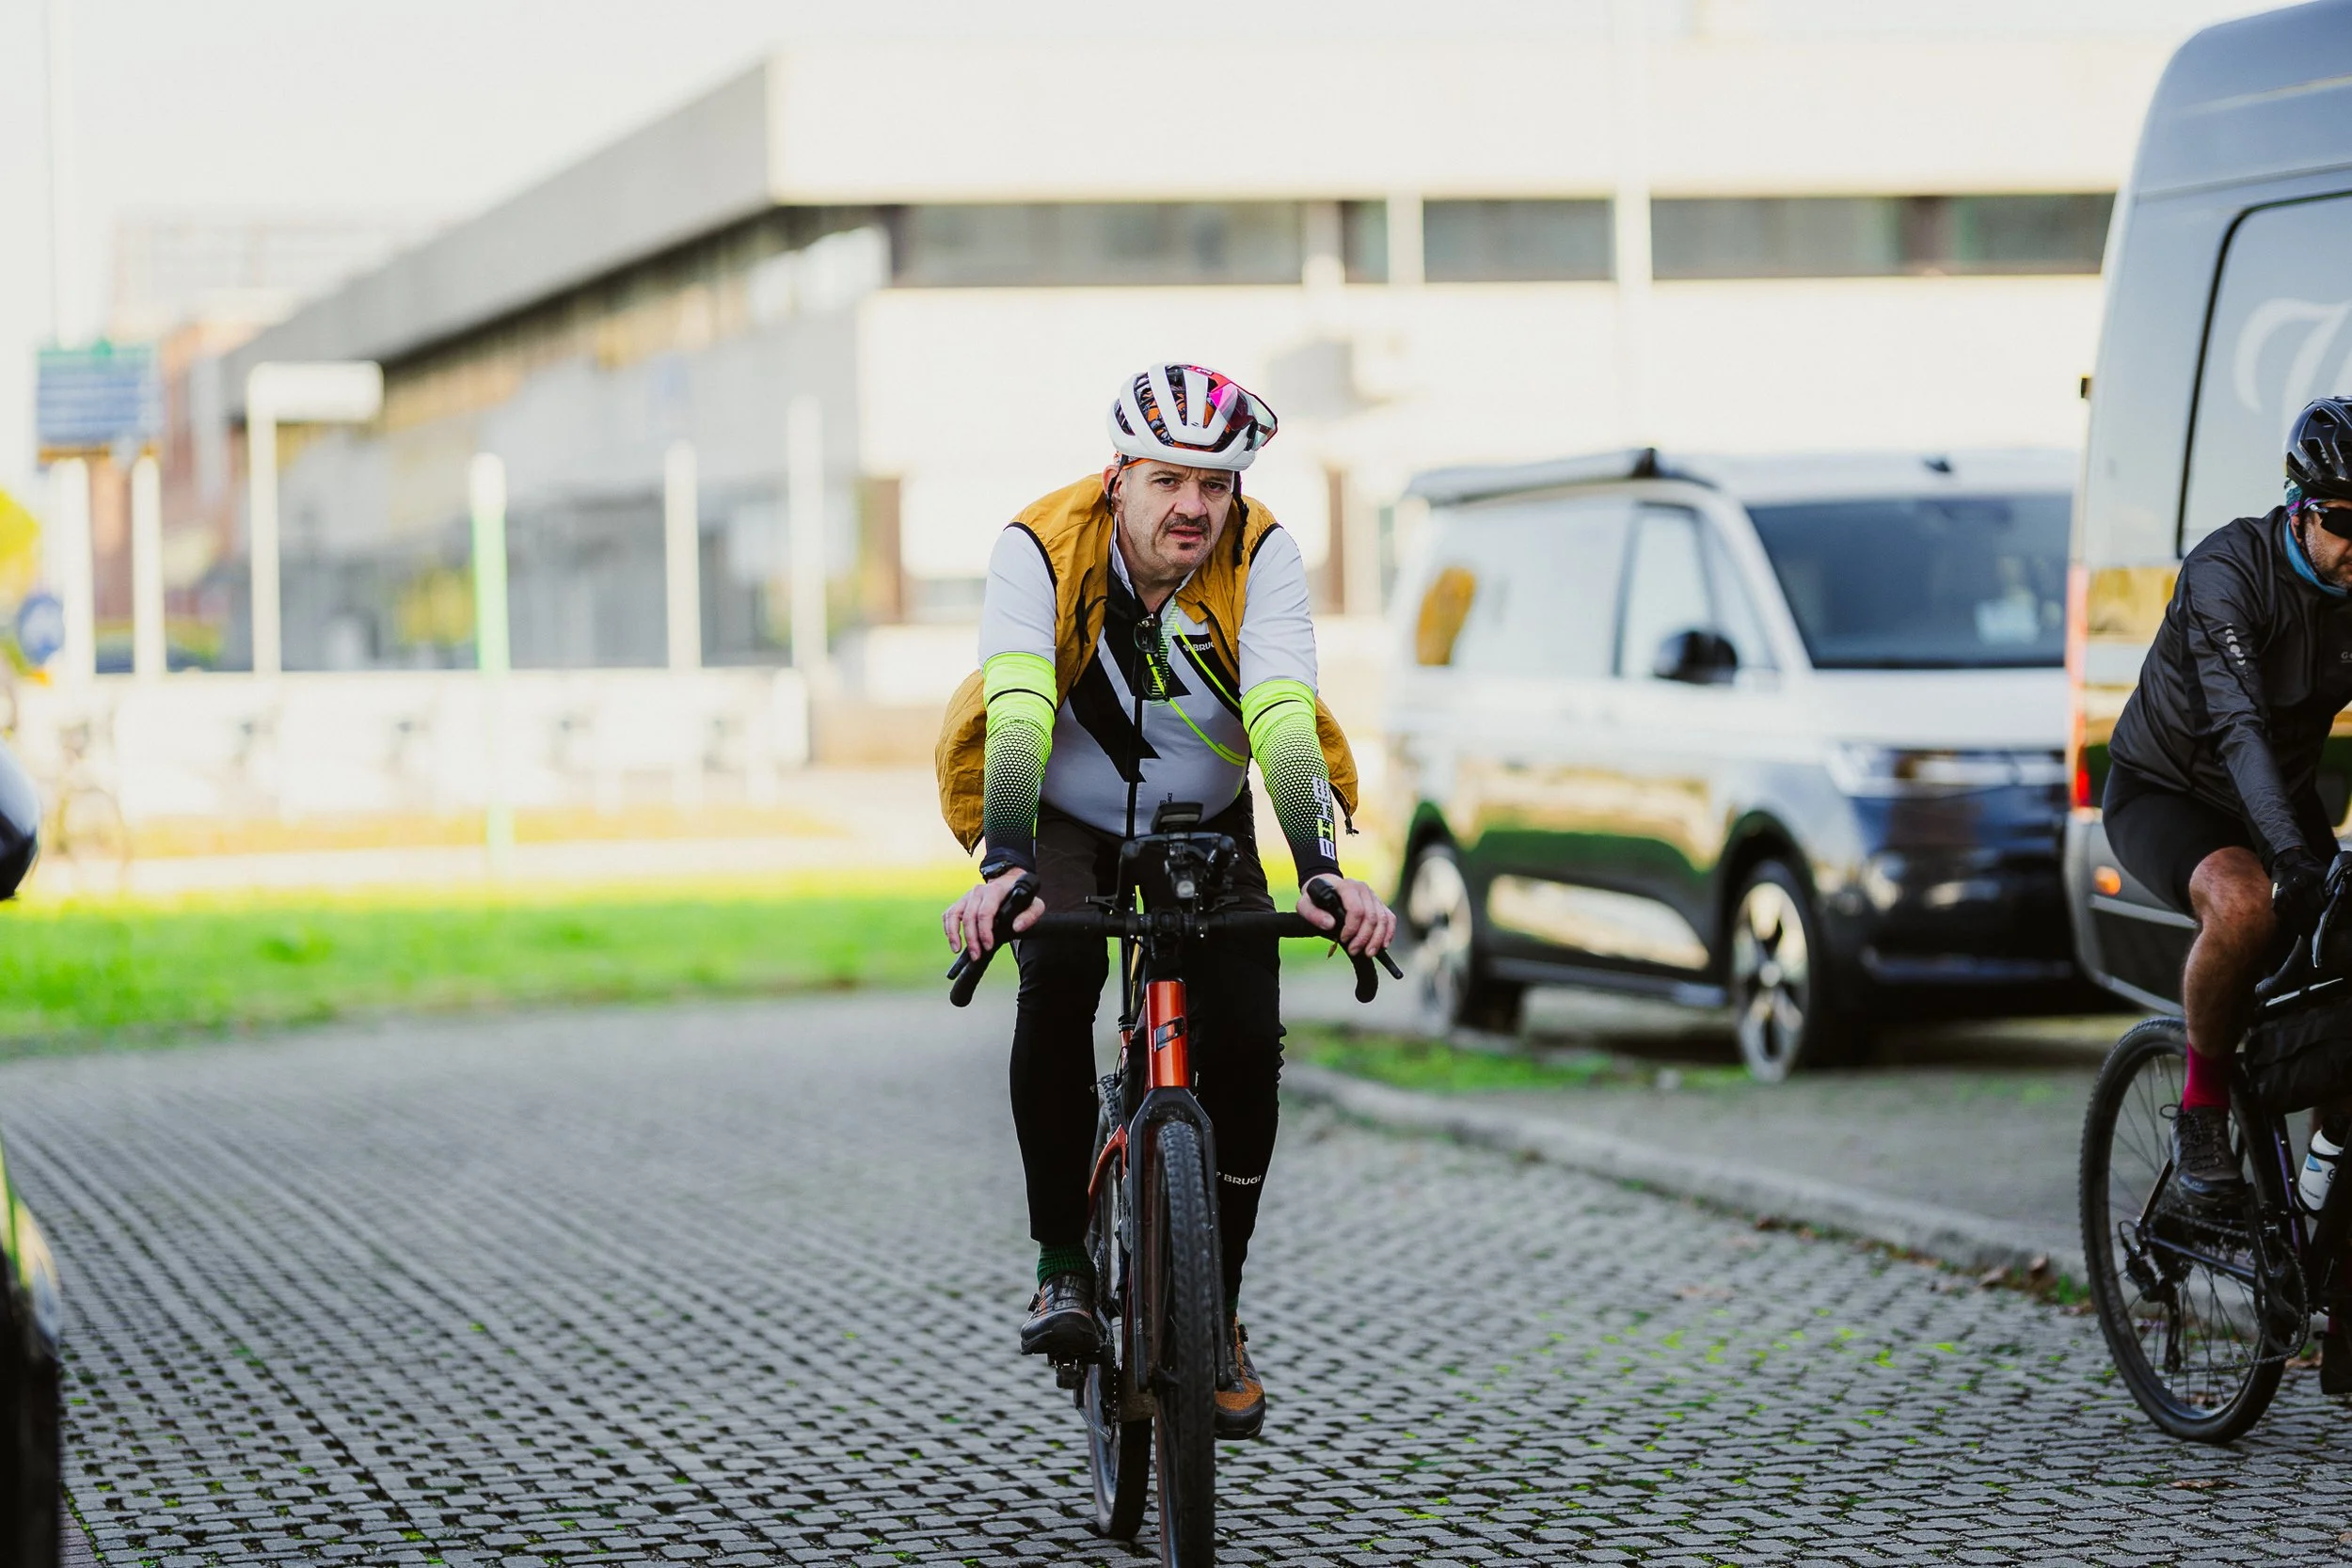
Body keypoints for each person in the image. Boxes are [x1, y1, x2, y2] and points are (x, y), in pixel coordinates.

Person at [936, 363, 1397, 1440]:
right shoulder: (1038, 546)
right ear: (1117, 479)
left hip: (1208, 818)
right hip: (1065, 816)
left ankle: (1217, 1311)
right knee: (1056, 969)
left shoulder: (1262, 553)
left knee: (1244, 1038)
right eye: (1168, 480)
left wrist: (1319, 866)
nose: (1194, 505)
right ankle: (1061, 1262)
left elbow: (1281, 714)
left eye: (1216, 484)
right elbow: (1018, 708)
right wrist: (1006, 865)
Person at [2103, 397, 2352, 1209]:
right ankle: (2203, 1110)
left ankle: (2322, 1200)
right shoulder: (2227, 572)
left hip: (2278, 794)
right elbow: (2239, 728)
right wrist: (2290, 860)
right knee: (2246, 907)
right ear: (2299, 509)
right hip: (2169, 789)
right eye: (2347, 520)